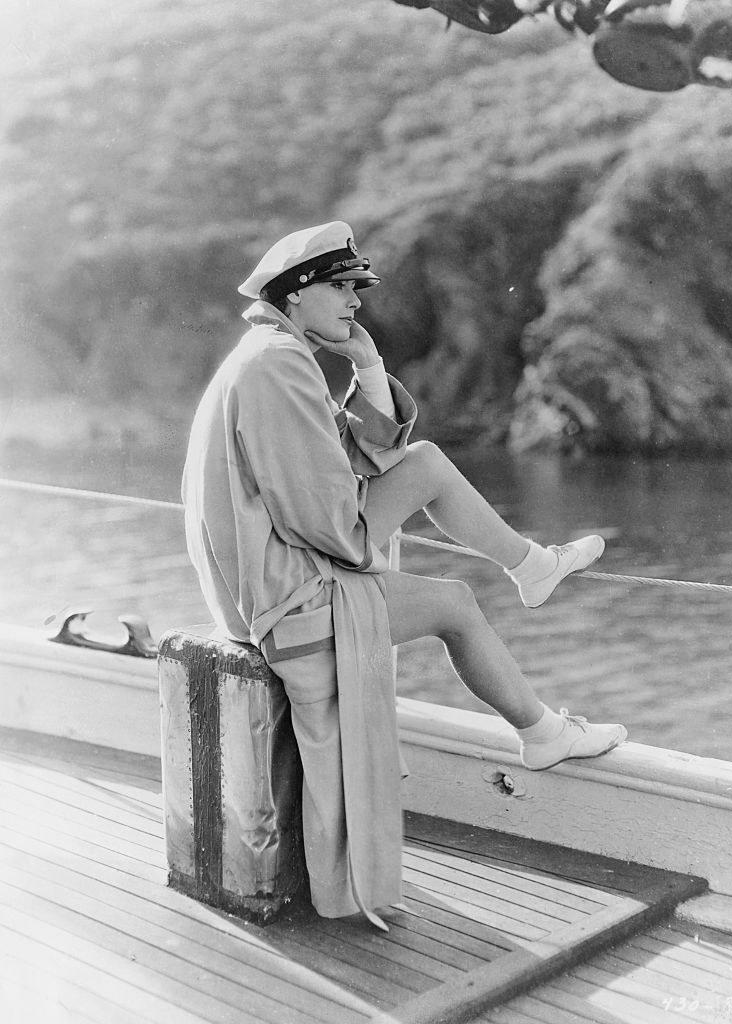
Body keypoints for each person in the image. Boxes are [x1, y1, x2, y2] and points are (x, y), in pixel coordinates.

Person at [181, 221, 626, 928]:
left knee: (423, 469)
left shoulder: (271, 353)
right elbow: (327, 518)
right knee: (451, 597)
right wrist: (364, 524)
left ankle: (531, 577)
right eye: (340, 287)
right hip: (283, 595)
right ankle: (539, 713)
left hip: (263, 585)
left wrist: (365, 368)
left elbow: (349, 459)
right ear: (295, 294)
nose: (355, 302)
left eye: (357, 288)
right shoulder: (277, 365)